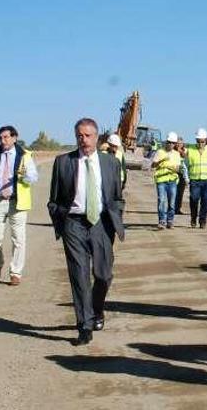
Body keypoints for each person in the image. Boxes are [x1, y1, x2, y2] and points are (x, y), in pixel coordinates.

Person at [47, 118, 125, 346]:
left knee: (103, 275)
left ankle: (97, 310)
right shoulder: (63, 162)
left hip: (101, 224)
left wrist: (116, 217)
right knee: (79, 275)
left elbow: (117, 197)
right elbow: (54, 198)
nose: (84, 140)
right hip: (74, 224)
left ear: (97, 137)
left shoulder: (110, 163)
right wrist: (60, 219)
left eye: (88, 135)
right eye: (80, 135)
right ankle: (85, 325)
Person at [0, 125, 39, 286]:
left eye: (6, 137)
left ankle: (15, 273)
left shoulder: (25, 156)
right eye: (0, 138)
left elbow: (33, 177)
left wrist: (25, 175)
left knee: (18, 239)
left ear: (14, 138)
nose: (3, 140)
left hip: (17, 202)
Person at [185, 128, 207, 229]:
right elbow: (185, 165)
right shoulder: (190, 150)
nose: (200, 143)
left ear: (206, 140)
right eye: (198, 141)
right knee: (194, 199)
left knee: (206, 201)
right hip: (195, 180)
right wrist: (186, 177)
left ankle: (203, 221)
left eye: (202, 141)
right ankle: (193, 217)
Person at [152, 132, 184, 230]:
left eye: (172, 143)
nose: (170, 144)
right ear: (166, 142)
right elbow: (153, 165)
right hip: (161, 180)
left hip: (172, 181)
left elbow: (178, 168)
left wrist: (172, 168)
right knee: (161, 201)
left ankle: (170, 221)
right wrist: (161, 161)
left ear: (174, 144)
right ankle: (162, 220)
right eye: (169, 142)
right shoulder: (160, 152)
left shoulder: (177, 154)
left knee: (172, 202)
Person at [174, 136, 187, 215]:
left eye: (180, 143)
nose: (179, 145)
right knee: (173, 192)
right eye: (177, 143)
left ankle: (178, 208)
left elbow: (185, 157)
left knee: (180, 192)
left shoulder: (185, 151)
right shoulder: (172, 151)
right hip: (174, 173)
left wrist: (180, 151)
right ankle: (171, 207)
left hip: (182, 173)